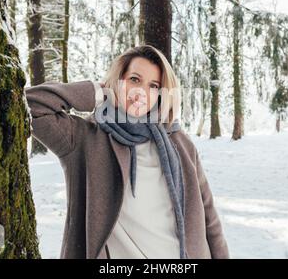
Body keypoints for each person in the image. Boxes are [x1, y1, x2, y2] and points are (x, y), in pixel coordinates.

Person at [24, 45, 230, 259]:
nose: (141, 92)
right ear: (118, 80)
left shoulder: (179, 142)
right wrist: (97, 91)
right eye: (134, 80)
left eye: (153, 85)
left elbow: (209, 218)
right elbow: (31, 105)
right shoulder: (85, 139)